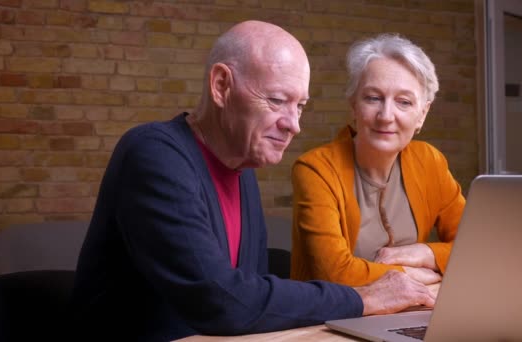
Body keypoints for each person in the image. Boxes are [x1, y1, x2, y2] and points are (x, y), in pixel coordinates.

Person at [70, 21, 436, 341]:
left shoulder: (242, 171)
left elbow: (252, 302)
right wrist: (365, 298)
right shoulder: (153, 154)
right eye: (277, 101)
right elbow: (222, 300)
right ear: (221, 86)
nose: (293, 124)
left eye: (300, 106)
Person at [290, 33, 466, 289]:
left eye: (404, 102)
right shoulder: (316, 170)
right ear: (354, 106)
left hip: (408, 315)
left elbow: (476, 248)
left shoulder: (430, 161)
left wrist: (425, 253)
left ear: (422, 115)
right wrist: (409, 273)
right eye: (373, 98)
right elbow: (334, 274)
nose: (386, 116)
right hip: (328, 323)